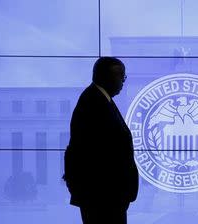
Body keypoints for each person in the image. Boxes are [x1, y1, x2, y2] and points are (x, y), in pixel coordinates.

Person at [62, 57, 139, 224]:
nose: (123, 81)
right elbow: (90, 153)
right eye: (121, 76)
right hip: (102, 196)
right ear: (106, 77)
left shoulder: (100, 99)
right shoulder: (93, 102)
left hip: (107, 195)